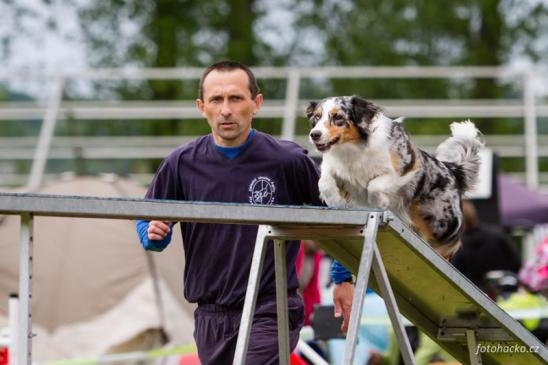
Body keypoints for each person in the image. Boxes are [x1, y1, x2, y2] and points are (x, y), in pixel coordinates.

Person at [135, 60, 323, 364]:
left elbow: (341, 217)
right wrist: (153, 234)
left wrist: (344, 279)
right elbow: (147, 219)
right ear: (201, 106)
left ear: (256, 103)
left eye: (235, 98)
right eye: (216, 100)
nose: (226, 109)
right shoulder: (180, 163)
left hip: (271, 307)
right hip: (211, 314)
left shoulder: (287, 161)